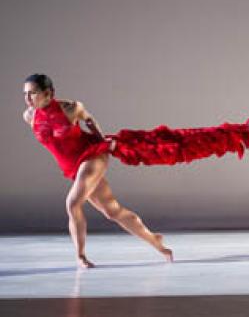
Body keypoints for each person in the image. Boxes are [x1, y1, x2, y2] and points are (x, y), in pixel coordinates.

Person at [23, 74, 173, 268]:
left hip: (92, 155)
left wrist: (103, 142)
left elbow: (89, 120)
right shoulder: (29, 116)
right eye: (25, 94)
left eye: (32, 93)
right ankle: (156, 242)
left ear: (48, 93)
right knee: (113, 211)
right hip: (72, 167)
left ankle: (80, 256)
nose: (27, 99)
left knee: (72, 203)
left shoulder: (70, 108)